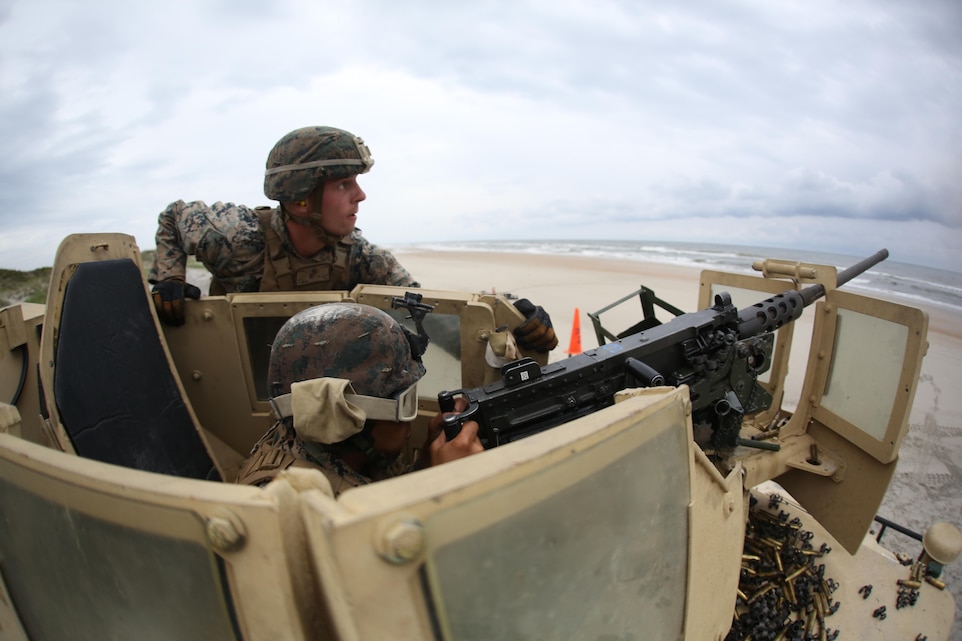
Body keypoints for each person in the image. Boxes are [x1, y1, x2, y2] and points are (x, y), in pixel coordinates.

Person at [148, 124, 558, 353]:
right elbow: (174, 217)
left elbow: (432, 315)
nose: (360, 196)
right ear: (304, 197)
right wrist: (168, 277)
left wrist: (513, 325)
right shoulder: (235, 236)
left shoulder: (361, 257)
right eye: (344, 184)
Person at [234, 302, 483, 495]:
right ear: (346, 417)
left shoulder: (335, 450)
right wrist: (450, 485)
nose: (410, 423)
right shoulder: (292, 506)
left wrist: (427, 463)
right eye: (404, 403)